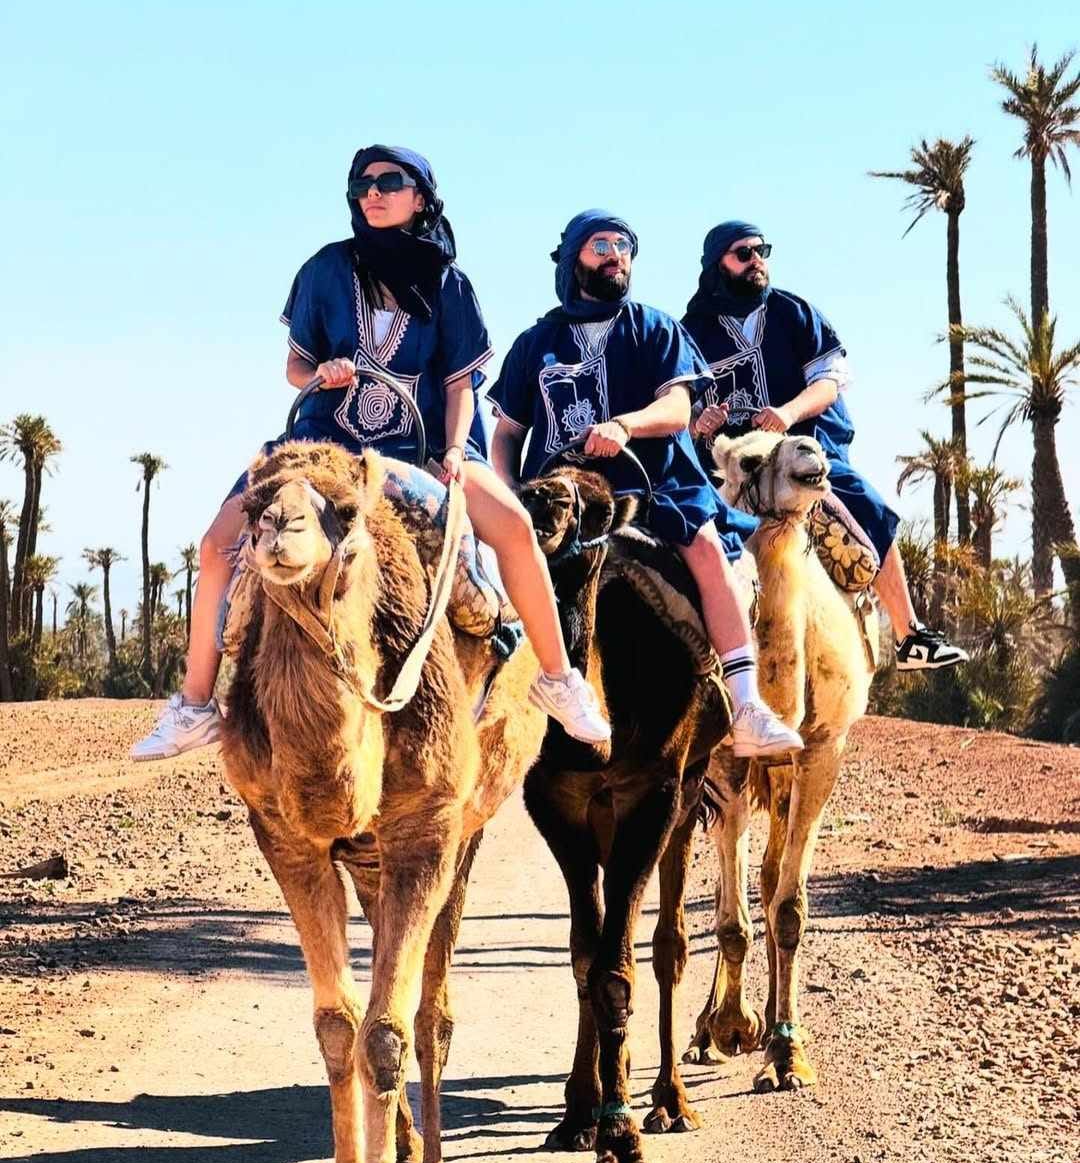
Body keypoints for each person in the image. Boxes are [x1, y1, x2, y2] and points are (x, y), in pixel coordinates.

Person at [132, 146, 609, 761]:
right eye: (362, 183)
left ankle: (557, 679)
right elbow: (293, 365)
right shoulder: (326, 270)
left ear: (421, 196)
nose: (373, 193)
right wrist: (319, 371)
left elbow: (461, 386)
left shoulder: (450, 285)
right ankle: (195, 705)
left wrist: (457, 455)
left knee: (514, 529)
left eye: (389, 182)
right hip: (321, 445)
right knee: (216, 545)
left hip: (424, 450)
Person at [488, 209, 803, 758]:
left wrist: (625, 425)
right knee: (493, 576)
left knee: (706, 548)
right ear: (572, 259)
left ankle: (747, 704)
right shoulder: (535, 343)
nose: (615, 256)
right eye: (600, 246)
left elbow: (679, 407)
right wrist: (509, 492)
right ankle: (489, 710)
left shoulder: (656, 328)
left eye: (624, 246)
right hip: (566, 495)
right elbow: (508, 432)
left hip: (656, 485)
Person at [682, 220, 969, 672]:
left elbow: (829, 384)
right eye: (744, 254)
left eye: (762, 251)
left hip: (806, 450)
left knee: (865, 503)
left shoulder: (794, 313)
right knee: (682, 524)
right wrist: (703, 423)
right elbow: (685, 406)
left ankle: (910, 634)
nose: (757, 261)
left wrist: (788, 415)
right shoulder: (692, 331)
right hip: (731, 464)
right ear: (718, 263)